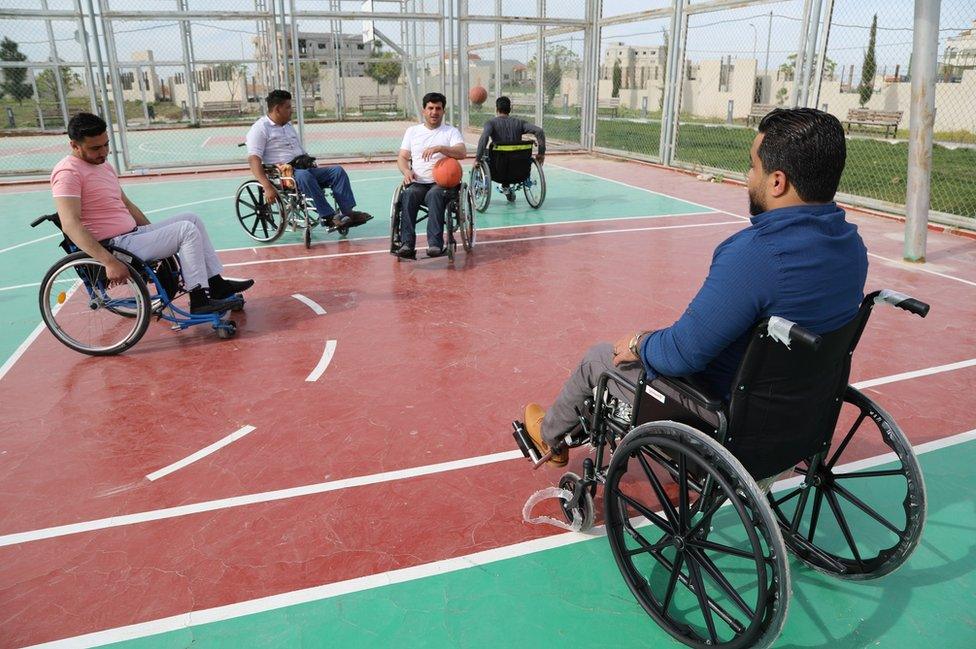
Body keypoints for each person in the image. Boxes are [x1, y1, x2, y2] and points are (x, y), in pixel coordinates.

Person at [522, 108, 868, 467]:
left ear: (777, 182)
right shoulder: (853, 247)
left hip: (721, 418)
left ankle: (550, 437)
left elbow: (683, 353)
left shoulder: (755, 254)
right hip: (802, 414)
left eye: (753, 168)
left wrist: (639, 342)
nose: (750, 177)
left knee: (600, 358)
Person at [50, 113, 253, 315]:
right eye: (95, 148)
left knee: (191, 219)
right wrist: (109, 262)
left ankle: (216, 284)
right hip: (113, 246)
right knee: (186, 230)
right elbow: (70, 224)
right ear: (74, 146)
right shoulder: (68, 173)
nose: (104, 152)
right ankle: (199, 300)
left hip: (131, 236)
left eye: (106, 145)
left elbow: (127, 204)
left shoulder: (103, 165)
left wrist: (155, 234)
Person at [245, 89, 372, 229]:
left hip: (303, 168)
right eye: (288, 107)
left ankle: (348, 213)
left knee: (337, 171)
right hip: (284, 174)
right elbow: (254, 160)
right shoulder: (260, 129)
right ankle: (329, 217)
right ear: (277, 109)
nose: (291, 110)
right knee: (304, 176)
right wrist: (267, 186)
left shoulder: (288, 126)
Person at [395, 92, 467, 259]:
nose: (434, 112)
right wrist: (406, 171)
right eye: (431, 108)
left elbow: (462, 152)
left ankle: (435, 244)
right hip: (419, 183)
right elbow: (402, 157)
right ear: (424, 110)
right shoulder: (412, 131)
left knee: (435, 194)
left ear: (443, 111)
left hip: (442, 184)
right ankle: (407, 244)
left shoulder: (450, 132)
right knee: (409, 194)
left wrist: (441, 148)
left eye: (438, 108)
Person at [475, 96, 546, 202]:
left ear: (497, 109)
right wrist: (541, 153)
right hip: (519, 169)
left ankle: (480, 189)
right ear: (510, 109)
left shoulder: (491, 123)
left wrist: (477, 158)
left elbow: (484, 137)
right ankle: (506, 186)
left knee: (485, 155)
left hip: (497, 170)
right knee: (511, 156)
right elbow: (539, 131)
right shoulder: (520, 123)